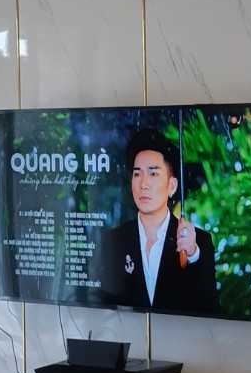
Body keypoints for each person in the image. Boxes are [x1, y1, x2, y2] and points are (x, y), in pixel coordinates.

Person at [93, 130, 217, 313]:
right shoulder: (113, 241)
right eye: (137, 174)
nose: (143, 184)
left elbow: (210, 308)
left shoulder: (200, 243)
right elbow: (100, 305)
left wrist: (192, 254)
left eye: (153, 174)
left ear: (172, 186)